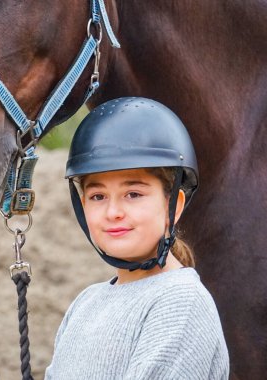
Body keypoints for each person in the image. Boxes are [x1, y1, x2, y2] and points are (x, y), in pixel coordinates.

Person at [45, 97, 229, 379]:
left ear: (174, 206)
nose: (113, 211)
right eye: (97, 196)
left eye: (133, 194)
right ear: (83, 207)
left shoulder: (180, 302)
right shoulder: (86, 303)